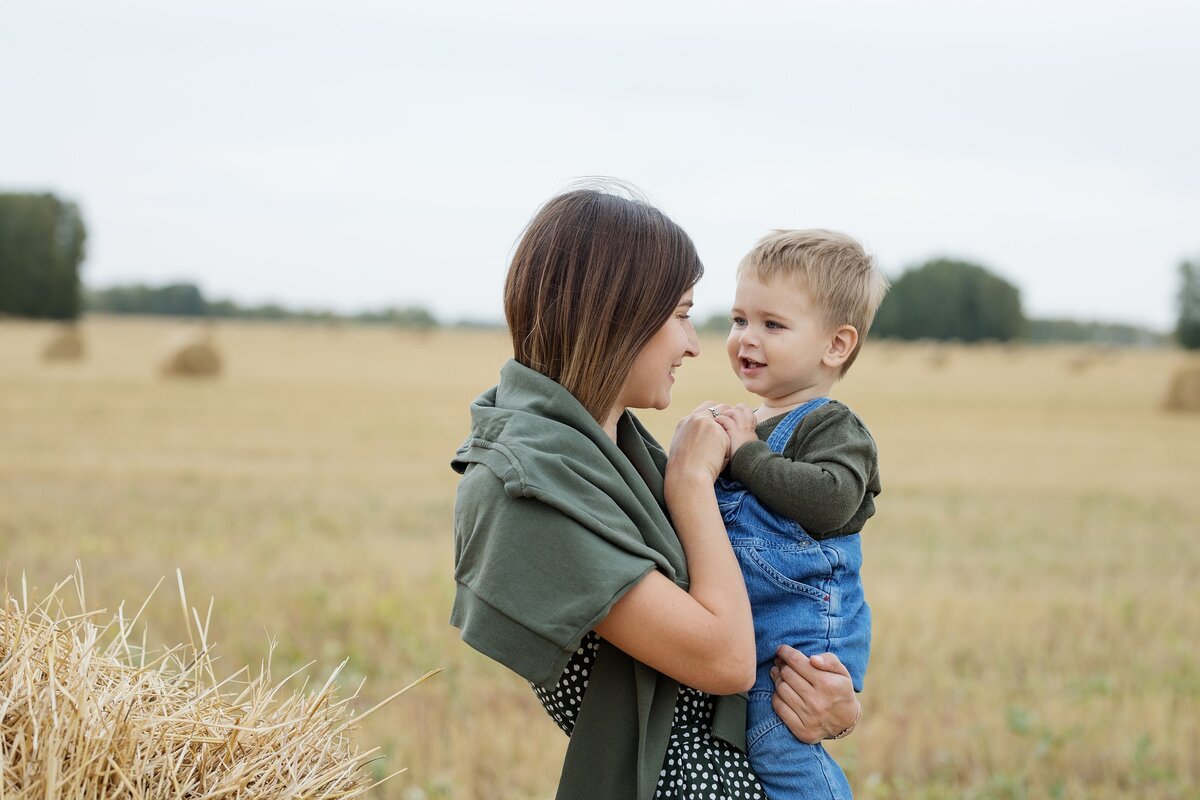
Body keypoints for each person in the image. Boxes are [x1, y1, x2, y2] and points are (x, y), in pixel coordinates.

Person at [450, 186, 861, 800]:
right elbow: (724, 659)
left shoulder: (608, 456)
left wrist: (831, 699)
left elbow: (768, 595)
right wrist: (692, 483)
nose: (695, 344)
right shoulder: (525, 486)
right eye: (680, 315)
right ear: (617, 315)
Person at [713, 230, 888, 799]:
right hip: (754, 638)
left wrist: (746, 456)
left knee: (782, 753)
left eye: (772, 325)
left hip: (800, 649)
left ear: (836, 346)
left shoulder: (832, 426)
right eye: (739, 319)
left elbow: (831, 497)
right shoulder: (750, 422)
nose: (746, 338)